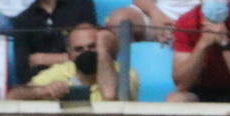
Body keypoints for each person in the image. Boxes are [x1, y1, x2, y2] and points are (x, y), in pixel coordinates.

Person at [7, 21, 135, 99]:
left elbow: (109, 94)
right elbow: (12, 96)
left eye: (92, 46)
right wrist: (43, 91)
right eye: (79, 49)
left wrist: (103, 50)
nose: (86, 52)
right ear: (69, 55)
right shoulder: (63, 71)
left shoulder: (125, 74)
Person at [168, 0, 230, 102]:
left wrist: (225, 43)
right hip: (199, 89)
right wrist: (203, 44)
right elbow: (181, 84)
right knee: (176, 99)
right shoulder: (185, 22)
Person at [9, 0, 95, 85]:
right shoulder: (22, 20)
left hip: (82, 80)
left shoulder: (82, 5)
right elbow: (23, 73)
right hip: (42, 88)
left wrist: (46, 59)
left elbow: (91, 56)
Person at [103, 0, 198, 45]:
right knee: (120, 19)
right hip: (153, 13)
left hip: (188, 25)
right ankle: (128, 69)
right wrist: (156, 16)